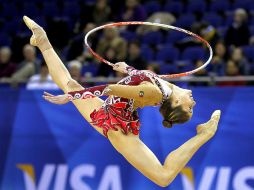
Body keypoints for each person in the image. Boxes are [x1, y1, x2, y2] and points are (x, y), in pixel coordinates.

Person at [23, 16, 221, 187]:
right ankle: (43, 41)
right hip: (112, 109)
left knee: (163, 177)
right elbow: (143, 76)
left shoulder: (154, 93)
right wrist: (128, 69)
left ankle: (204, 134)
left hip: (119, 128)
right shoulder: (166, 88)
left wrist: (72, 98)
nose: (194, 103)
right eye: (192, 107)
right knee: (71, 83)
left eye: (189, 108)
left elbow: (110, 88)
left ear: (176, 104)